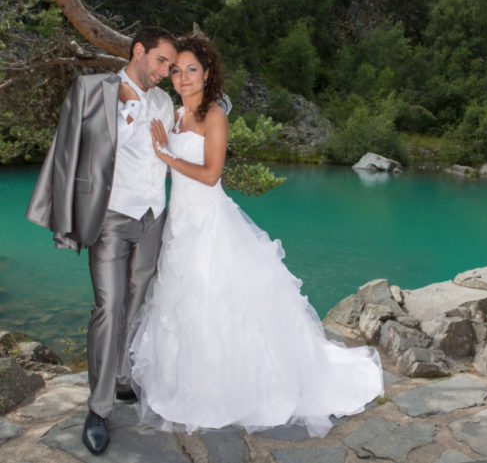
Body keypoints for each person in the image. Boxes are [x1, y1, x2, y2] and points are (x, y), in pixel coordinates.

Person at [128, 35, 384, 437]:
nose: (182, 78)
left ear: (208, 72)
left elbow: (212, 175)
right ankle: (183, 382)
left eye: (192, 69)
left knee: (217, 300)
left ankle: (232, 389)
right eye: (176, 70)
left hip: (209, 222)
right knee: (181, 300)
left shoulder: (214, 115)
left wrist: (167, 157)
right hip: (179, 222)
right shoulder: (175, 114)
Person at [26, 27, 178, 454]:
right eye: (160, 61)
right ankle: (99, 408)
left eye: (170, 65)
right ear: (139, 51)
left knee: (137, 301)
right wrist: (62, 216)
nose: (165, 71)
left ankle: (124, 377)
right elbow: (65, 152)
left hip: (153, 217)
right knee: (107, 306)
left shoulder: (164, 102)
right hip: (110, 217)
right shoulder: (93, 89)